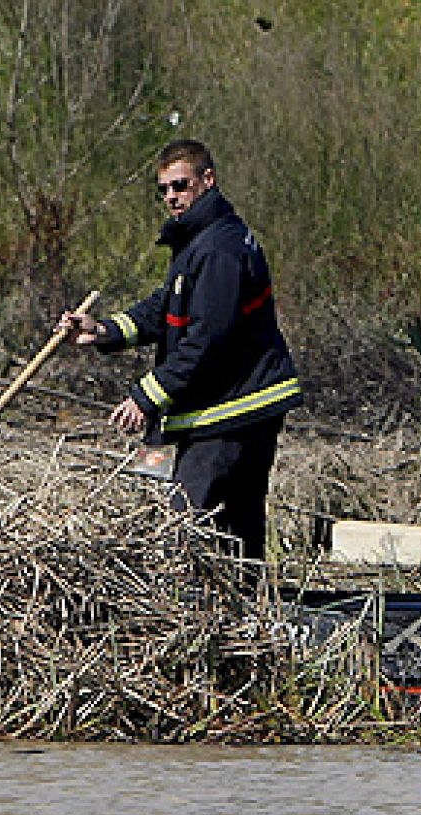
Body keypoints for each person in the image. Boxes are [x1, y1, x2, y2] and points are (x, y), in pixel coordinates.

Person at [62, 139, 301, 562]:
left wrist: (147, 396)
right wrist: (104, 331)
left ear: (207, 180)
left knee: (190, 529)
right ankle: (242, 601)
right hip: (229, 406)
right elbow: (168, 306)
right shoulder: (200, 241)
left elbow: (208, 340)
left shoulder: (219, 249)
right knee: (233, 533)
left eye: (180, 185)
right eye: (164, 190)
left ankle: (211, 602)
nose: (171, 197)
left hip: (235, 409)